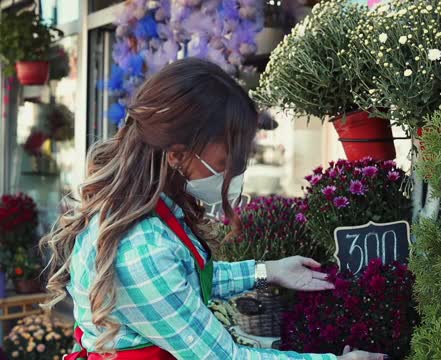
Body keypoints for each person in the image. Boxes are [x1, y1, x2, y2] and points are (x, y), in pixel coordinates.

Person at [41, 58, 386, 360]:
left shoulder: (146, 211)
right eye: (226, 162)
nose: (233, 175)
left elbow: (184, 280)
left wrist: (268, 271)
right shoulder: (140, 249)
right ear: (176, 154)